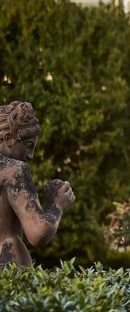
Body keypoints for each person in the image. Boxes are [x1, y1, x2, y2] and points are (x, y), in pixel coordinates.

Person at [0, 101, 75, 267]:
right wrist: (57, 204)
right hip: (8, 266)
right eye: (29, 146)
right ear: (8, 138)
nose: (31, 155)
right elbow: (39, 233)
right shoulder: (13, 171)